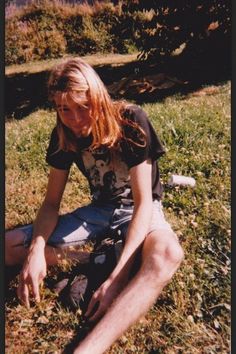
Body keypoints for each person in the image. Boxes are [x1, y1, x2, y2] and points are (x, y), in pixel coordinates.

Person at [5, 57, 184, 353]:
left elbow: (142, 204)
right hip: (99, 213)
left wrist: (118, 278)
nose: (75, 118)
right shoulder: (63, 135)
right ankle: (98, 258)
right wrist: (36, 250)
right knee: (9, 244)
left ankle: (89, 348)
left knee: (167, 254)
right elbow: (51, 203)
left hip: (138, 210)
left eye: (82, 106)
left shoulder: (131, 121)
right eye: (64, 109)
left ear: (97, 97)